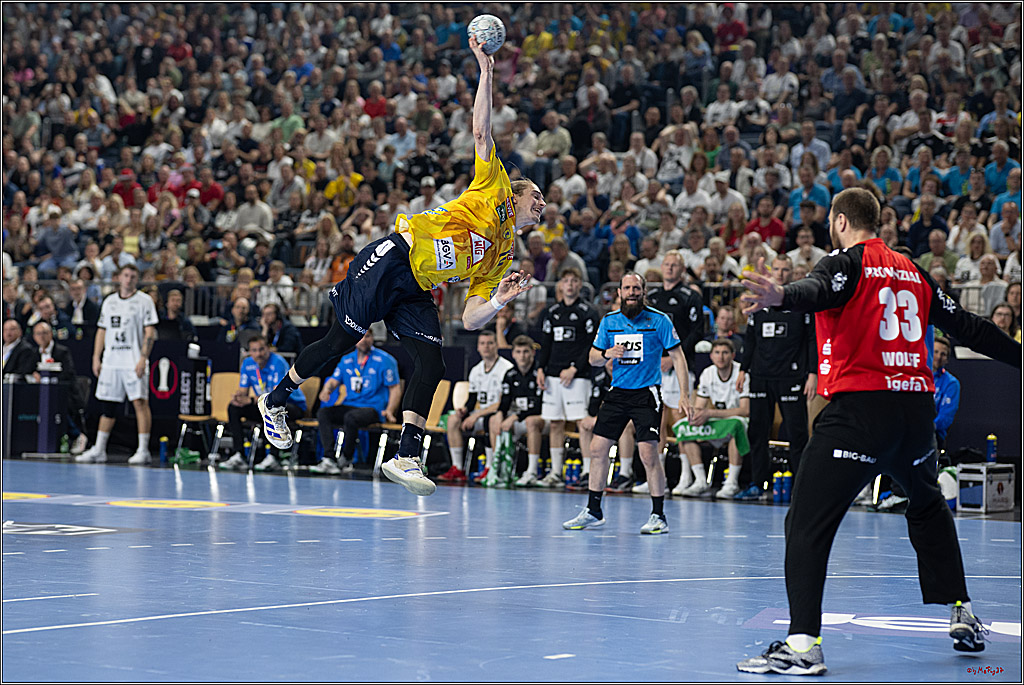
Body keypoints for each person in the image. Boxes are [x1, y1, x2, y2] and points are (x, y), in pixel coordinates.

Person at [736, 187, 1021, 675]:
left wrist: (782, 295)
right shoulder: (913, 272)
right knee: (927, 506)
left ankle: (803, 644)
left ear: (842, 222)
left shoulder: (845, 261)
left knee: (805, 521)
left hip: (862, 412)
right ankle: (963, 612)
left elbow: (819, 291)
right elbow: (970, 327)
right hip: (915, 416)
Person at [257, 35, 544, 497]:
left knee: (433, 362)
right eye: (538, 196)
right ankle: (274, 401)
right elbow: (481, 131)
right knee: (341, 341)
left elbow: (470, 320)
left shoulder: (505, 254)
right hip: (396, 256)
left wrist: (497, 299)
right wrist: (486, 73)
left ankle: (407, 454)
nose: (543, 203)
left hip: (418, 288)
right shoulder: (495, 184)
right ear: (518, 191)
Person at [562, 272, 691, 535]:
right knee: (598, 448)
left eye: (637, 288)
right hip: (618, 392)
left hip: (647, 393)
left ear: (644, 292)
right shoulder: (610, 322)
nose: (632, 292)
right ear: (619, 292)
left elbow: (678, 358)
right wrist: (607, 353)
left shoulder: (659, 320)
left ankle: (658, 515)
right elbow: (592, 358)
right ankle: (594, 511)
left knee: (648, 453)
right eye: (627, 288)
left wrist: (684, 395)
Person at [734, 254, 816, 500]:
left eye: (785, 270)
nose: (780, 273)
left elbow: (812, 339)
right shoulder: (760, 303)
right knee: (758, 432)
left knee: (797, 432)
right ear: (772, 271)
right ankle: (758, 484)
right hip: (760, 375)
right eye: (777, 269)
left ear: (792, 273)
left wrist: (812, 373)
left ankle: (800, 488)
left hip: (791, 377)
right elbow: (750, 340)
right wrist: (742, 369)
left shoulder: (800, 302)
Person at [76, 264, 158, 465]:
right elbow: (102, 330)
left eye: (133, 276)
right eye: (126, 275)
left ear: (136, 279)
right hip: (112, 360)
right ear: (119, 278)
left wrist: (143, 358)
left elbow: (150, 333)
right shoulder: (109, 301)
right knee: (108, 404)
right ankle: (99, 449)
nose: (128, 279)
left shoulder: (144, 301)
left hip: (133, 360)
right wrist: (97, 357)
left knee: (139, 402)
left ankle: (143, 449)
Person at [638, 251, 704, 494]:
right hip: (654, 368)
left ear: (682, 269)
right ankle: (657, 479)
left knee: (680, 420)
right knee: (655, 423)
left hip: (680, 367)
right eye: (666, 264)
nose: (669, 268)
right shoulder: (652, 297)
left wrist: (672, 357)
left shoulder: (690, 296)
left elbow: (698, 332)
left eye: (674, 265)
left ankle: (688, 477)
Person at [533, 268, 600, 488]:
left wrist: (574, 368)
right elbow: (545, 343)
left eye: (574, 281)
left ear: (580, 285)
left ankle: (588, 472)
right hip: (552, 376)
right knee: (555, 424)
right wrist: (540, 368)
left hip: (578, 376)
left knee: (583, 424)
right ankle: (555, 472)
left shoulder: (588, 311)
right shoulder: (551, 312)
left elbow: (592, 345)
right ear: (560, 284)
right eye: (566, 280)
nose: (570, 285)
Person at [310, 330, 401, 475]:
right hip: (351, 404)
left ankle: (346, 457)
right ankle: (329, 458)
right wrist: (326, 390)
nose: (364, 340)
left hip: (373, 408)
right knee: (324, 413)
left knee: (351, 417)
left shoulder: (385, 360)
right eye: (361, 337)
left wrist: (390, 410)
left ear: (373, 338)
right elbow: (334, 379)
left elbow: (395, 388)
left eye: (368, 336)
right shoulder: (347, 360)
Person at [673, 338, 751, 498]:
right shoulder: (708, 373)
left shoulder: (742, 374)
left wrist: (709, 413)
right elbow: (700, 406)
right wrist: (696, 415)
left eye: (725, 353)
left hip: (738, 420)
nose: (721, 357)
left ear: (733, 355)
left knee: (737, 425)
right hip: (718, 420)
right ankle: (699, 480)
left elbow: (745, 410)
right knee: (684, 425)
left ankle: (732, 483)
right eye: (717, 353)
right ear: (711, 356)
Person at [218, 335, 307, 471]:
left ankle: (273, 457)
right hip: (263, 404)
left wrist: (252, 400)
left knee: (273, 407)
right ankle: (238, 454)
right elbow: (244, 390)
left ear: (268, 349)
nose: (258, 354)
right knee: (234, 407)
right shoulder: (247, 364)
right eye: (254, 350)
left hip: (292, 406)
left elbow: (278, 395)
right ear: (249, 352)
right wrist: (239, 397)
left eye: (261, 349)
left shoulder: (278, 362)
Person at [442, 330, 512, 483]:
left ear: (496, 346)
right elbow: (472, 399)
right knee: (453, 419)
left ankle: (490, 467)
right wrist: (465, 410)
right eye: (482, 344)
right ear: (478, 347)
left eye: (490, 343)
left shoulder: (506, 369)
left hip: (501, 414)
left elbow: (504, 402)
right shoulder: (476, 370)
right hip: (481, 414)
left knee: (490, 420)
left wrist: (476, 415)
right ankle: (457, 468)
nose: (486, 347)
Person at [485, 335, 545, 486]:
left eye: (526, 352)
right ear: (513, 354)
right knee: (494, 420)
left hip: (541, 419)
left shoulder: (540, 373)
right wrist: (500, 414)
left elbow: (539, 405)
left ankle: (531, 471)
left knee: (531, 421)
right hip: (518, 419)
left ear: (532, 352)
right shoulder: (510, 374)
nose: (522, 356)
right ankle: (497, 469)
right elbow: (505, 400)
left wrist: (516, 416)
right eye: (518, 352)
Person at [931, 335, 959, 456]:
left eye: (943, 354)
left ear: (947, 359)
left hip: (933, 435)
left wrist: (923, 428)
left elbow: (945, 418)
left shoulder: (951, 383)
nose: (938, 357)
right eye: (935, 352)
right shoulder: (915, 377)